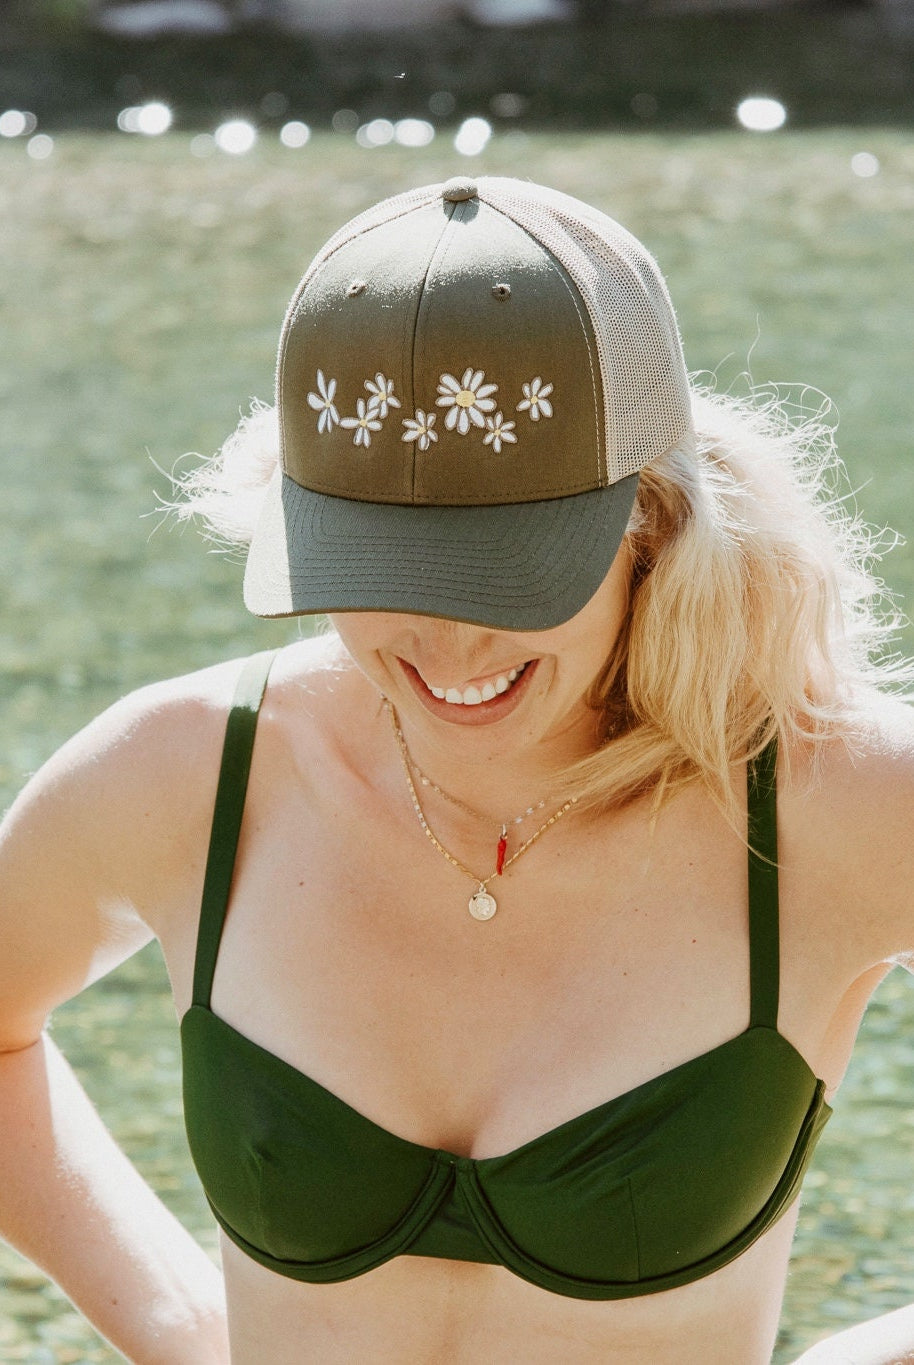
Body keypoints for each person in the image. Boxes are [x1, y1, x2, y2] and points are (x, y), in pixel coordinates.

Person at [1, 173, 913, 1365]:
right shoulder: (189, 773)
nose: (446, 643)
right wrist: (181, 1327)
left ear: (650, 519)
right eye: (385, 562)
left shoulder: (821, 802)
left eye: (505, 571)